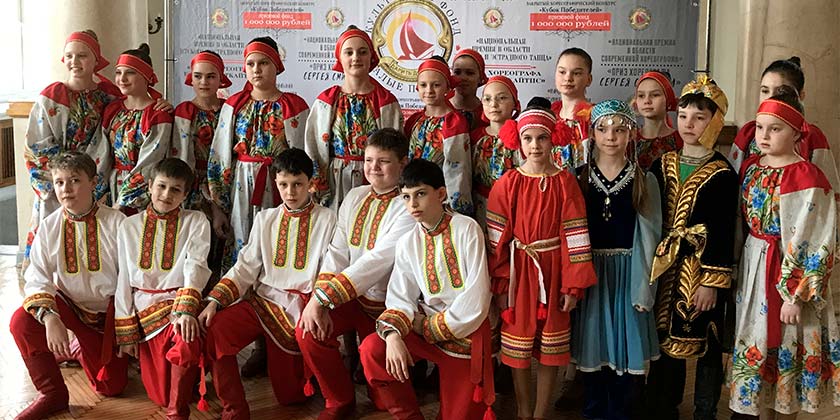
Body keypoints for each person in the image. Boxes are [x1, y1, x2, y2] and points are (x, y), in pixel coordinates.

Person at [199, 148, 337, 419]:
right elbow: (245, 267)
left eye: (298, 184)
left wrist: (318, 304)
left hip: (299, 308)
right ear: (275, 182)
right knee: (215, 329)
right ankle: (234, 410)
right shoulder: (266, 218)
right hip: (261, 304)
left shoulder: (328, 218)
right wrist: (215, 300)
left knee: (290, 398)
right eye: (283, 184)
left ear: (311, 183)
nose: (290, 192)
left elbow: (328, 268)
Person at [729, 92, 840, 418]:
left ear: (796, 133)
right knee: (758, 346)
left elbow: (816, 239)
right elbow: (740, 222)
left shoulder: (807, 176)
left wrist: (795, 294)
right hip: (754, 267)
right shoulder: (751, 169)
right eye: (760, 127)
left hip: (787, 275)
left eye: (775, 128)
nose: (764, 135)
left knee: (789, 345)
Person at [487, 97, 597, 420]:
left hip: (554, 271)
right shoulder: (507, 183)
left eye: (542, 138)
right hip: (519, 272)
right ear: (518, 141)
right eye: (528, 138)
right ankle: (523, 410)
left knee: (551, 349)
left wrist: (572, 287)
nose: (535, 145)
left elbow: (575, 235)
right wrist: (500, 283)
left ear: (553, 140)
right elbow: (496, 240)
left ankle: (541, 412)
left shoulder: (565, 182)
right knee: (517, 347)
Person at [359, 159, 495, 420]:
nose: (413, 204)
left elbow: (476, 298)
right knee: (373, 349)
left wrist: (427, 326)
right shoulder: (408, 241)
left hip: (465, 334)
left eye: (420, 194)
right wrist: (394, 337)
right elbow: (400, 296)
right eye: (406, 197)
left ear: (441, 194)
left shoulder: (467, 229)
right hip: (423, 328)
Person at [296, 128, 415, 419]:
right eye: (369, 160)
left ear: (403, 163)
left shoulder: (409, 204)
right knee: (307, 329)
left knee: (384, 403)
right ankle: (338, 399)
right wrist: (319, 299)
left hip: (390, 307)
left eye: (383, 161)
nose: (373, 168)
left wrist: (323, 298)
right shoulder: (355, 195)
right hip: (352, 300)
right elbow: (337, 250)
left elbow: (378, 261)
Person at [645, 75, 739, 420]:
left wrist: (710, 283)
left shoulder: (722, 173)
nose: (689, 124)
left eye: (699, 117)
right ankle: (662, 406)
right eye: (683, 116)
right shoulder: (663, 164)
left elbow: (723, 231)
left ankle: (704, 409)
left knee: (706, 344)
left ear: (714, 122)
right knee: (663, 340)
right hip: (665, 266)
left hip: (698, 273)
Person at [10, 152, 129, 420]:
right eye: (59, 182)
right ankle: (52, 393)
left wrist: (125, 330)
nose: (66, 189)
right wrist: (50, 317)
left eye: (75, 180)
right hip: (68, 306)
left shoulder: (117, 223)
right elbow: (37, 275)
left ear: (93, 183)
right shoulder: (50, 226)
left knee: (111, 386)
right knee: (21, 321)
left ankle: (76, 349)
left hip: (107, 317)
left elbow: (129, 280)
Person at [571, 99, 662, 420]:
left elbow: (649, 237)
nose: (611, 136)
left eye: (620, 130)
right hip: (591, 273)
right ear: (592, 133)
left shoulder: (643, 180)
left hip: (629, 272)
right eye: (603, 129)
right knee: (594, 344)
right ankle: (594, 409)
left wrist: (644, 287)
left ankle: (622, 411)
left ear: (631, 134)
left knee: (627, 344)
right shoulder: (578, 178)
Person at [114, 158, 212, 419]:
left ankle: (176, 413)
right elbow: (123, 279)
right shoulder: (128, 226)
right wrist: (126, 331)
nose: (167, 195)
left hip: (179, 303)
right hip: (144, 312)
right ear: (149, 186)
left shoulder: (196, 221)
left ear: (185, 194)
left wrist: (186, 311)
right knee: (159, 395)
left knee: (187, 338)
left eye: (176, 189)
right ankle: (182, 384)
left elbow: (196, 266)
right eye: (162, 186)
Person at [207, 36, 310, 266]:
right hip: (241, 185)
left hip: (280, 184)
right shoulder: (234, 105)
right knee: (242, 240)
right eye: (251, 64)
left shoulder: (294, 106)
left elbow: (305, 156)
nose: (256, 69)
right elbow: (219, 155)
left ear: (277, 66)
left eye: (263, 63)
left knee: (278, 239)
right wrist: (218, 205)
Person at [22, 30, 120, 263]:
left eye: (82, 55)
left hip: (95, 178)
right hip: (59, 182)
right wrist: (65, 176)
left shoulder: (109, 96)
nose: (75, 61)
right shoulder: (51, 96)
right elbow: (37, 144)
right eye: (69, 56)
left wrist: (90, 177)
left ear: (96, 59)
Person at [305, 25, 403, 210]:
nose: (356, 57)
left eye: (362, 52)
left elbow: (395, 149)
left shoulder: (385, 101)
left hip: (374, 177)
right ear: (339, 58)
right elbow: (314, 147)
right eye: (349, 52)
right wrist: (317, 181)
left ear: (371, 57)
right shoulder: (326, 101)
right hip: (335, 181)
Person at [728, 57, 840, 200]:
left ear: (800, 96)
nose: (771, 97)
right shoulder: (749, 133)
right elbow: (733, 182)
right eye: (765, 91)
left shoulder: (812, 136)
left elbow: (825, 192)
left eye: (781, 92)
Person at [101, 43, 176, 215]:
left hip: (143, 191)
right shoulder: (113, 109)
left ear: (146, 76)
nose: (122, 78)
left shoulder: (157, 114)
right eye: (118, 72)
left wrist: (123, 200)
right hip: (113, 185)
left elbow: (150, 161)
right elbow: (102, 152)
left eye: (130, 73)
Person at [404, 56, 473, 215]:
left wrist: (453, 208)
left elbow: (458, 169)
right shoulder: (415, 120)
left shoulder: (453, 122)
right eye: (423, 85)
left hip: (441, 199)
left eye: (436, 85)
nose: (429, 90)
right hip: (413, 196)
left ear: (447, 87)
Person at [173, 50, 231, 211]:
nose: (203, 82)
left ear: (220, 79)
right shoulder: (185, 111)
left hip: (225, 181)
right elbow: (180, 153)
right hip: (192, 183)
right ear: (191, 79)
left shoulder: (229, 109)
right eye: (198, 76)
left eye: (210, 76)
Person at [471, 75, 522, 237]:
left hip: (513, 205)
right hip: (480, 205)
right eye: (487, 99)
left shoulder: (523, 137)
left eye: (502, 98)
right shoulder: (475, 137)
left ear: (514, 103)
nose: (493, 104)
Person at [551, 47, 594, 172]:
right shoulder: (549, 115)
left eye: (576, 73)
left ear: (589, 79)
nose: (568, 78)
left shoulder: (596, 117)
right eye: (562, 72)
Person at [632, 71, 683, 171]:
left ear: (668, 98)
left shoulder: (681, 140)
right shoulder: (630, 141)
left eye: (655, 95)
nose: (647, 101)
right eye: (641, 96)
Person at [451, 48, 489, 131]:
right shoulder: (440, 109)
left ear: (480, 77)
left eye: (470, 73)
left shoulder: (488, 114)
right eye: (457, 72)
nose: (463, 78)